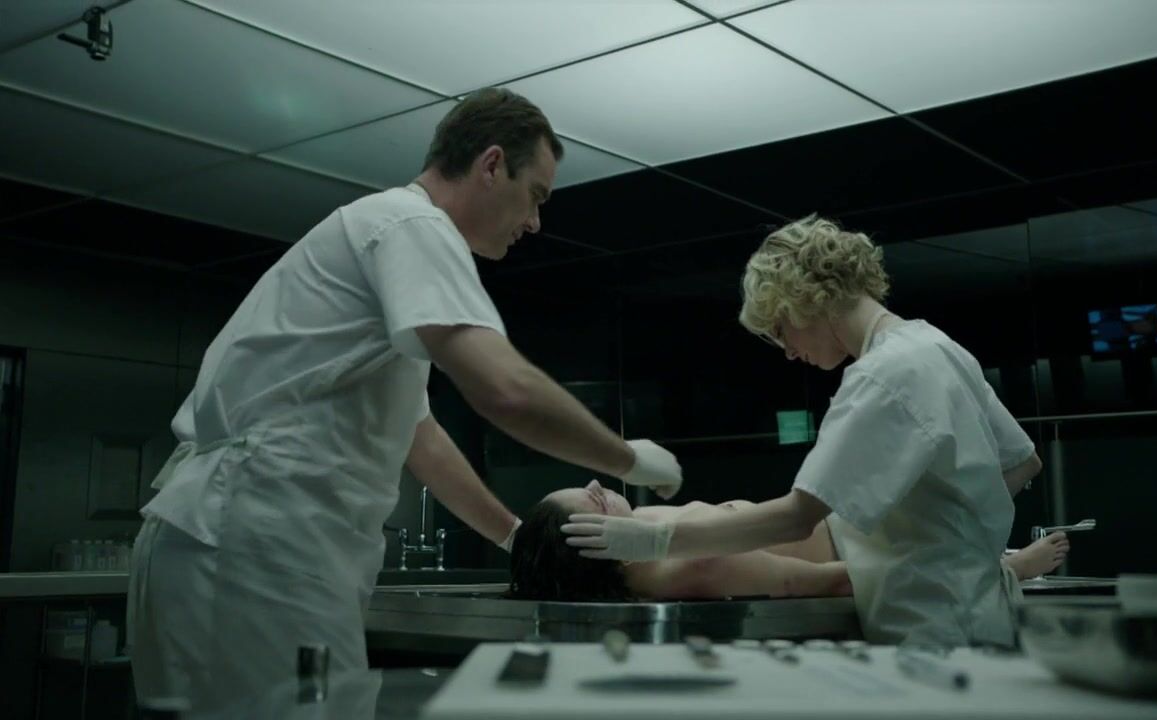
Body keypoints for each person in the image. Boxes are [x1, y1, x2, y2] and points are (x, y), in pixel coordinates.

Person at [127, 88, 683, 711]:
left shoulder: (386, 246)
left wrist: (515, 538)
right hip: (255, 538)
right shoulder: (412, 225)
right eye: (536, 195)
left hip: (244, 538)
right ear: (492, 164)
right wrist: (628, 460)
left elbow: (423, 440)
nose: (535, 222)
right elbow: (506, 389)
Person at [563, 215, 1044, 647]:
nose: (789, 352)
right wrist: (938, 527)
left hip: (932, 627)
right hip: (983, 607)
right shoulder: (938, 346)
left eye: (780, 330)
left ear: (805, 299)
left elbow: (797, 518)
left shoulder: (879, 378)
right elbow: (1023, 462)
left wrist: (655, 541)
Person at [517, 480, 1066, 602]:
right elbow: (828, 581)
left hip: (845, 523)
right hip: (857, 550)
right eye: (592, 502)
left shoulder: (642, 522)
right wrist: (999, 571)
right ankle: (1010, 568)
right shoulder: (682, 568)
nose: (598, 486)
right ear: (595, 549)